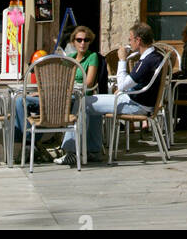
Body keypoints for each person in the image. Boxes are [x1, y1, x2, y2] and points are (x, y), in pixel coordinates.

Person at [58, 21, 164, 167]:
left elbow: (122, 84)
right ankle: (93, 151)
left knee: (83, 102)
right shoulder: (155, 56)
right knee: (91, 104)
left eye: (131, 39)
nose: (129, 42)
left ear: (138, 40)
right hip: (137, 100)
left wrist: (122, 60)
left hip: (137, 105)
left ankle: (71, 151)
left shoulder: (147, 60)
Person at [14, 26, 107, 164]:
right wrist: (43, 92)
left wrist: (67, 86)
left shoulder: (92, 57)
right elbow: (58, 80)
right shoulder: (69, 58)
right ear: (73, 42)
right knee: (19, 100)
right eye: (79, 40)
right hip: (59, 96)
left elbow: (88, 83)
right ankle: (29, 142)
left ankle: (34, 144)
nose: (83, 43)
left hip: (76, 97)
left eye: (86, 40)